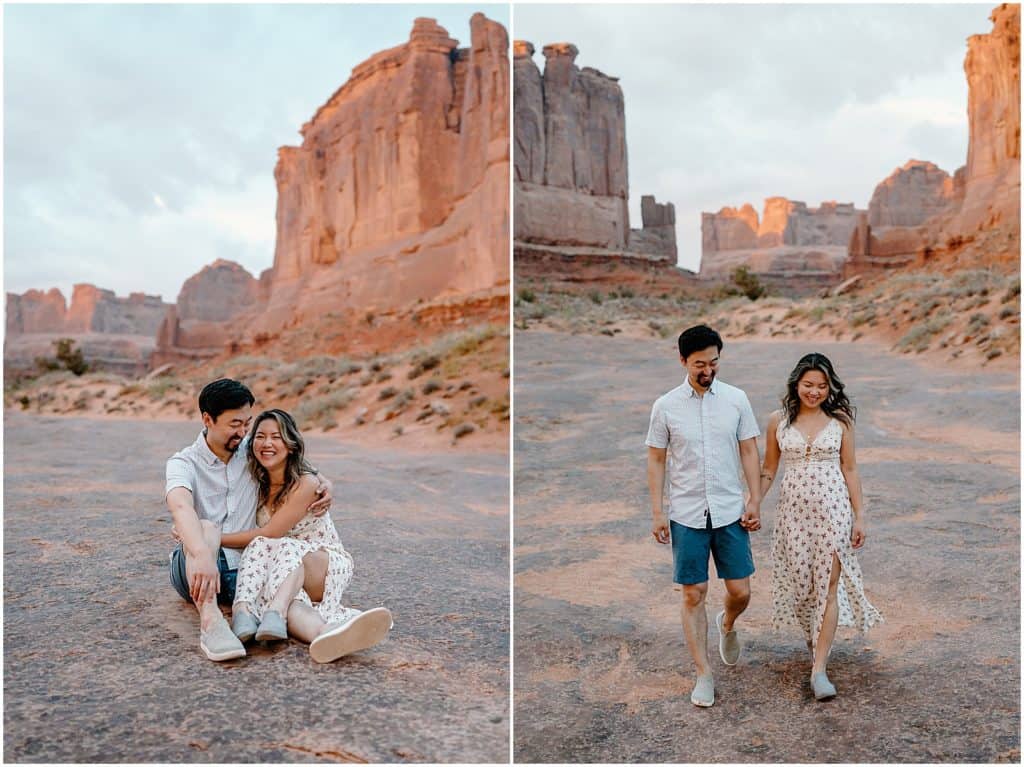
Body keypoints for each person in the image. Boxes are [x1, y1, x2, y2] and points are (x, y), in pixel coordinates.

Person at [166, 379, 334, 662]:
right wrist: (201, 552)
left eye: (247, 423)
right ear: (208, 419)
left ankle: (326, 634)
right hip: (197, 564)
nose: (243, 432)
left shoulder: (251, 451)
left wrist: (323, 481)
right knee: (206, 527)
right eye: (234, 424)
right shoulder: (183, 463)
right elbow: (180, 505)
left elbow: (295, 463)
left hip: (247, 571)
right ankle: (212, 623)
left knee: (285, 599)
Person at [646, 324, 763, 707]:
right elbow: (657, 458)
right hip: (686, 512)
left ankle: (727, 624)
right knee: (694, 594)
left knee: (740, 591)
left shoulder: (736, 399)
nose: (708, 370)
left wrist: (754, 499)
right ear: (682, 361)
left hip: (730, 510)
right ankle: (703, 674)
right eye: (699, 364)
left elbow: (748, 450)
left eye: (713, 362)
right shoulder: (665, 406)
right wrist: (658, 511)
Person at [221, 409, 392, 663]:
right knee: (289, 599)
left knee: (274, 543)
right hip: (284, 568)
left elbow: (270, 532)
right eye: (260, 436)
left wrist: (213, 538)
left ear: (290, 444)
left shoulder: (307, 483)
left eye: (276, 437)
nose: (267, 444)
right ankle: (324, 633)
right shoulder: (257, 482)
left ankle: (262, 610)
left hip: (322, 563)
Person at [758, 353, 883, 701]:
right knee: (803, 588)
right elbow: (768, 469)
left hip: (834, 513)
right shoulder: (777, 422)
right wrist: (752, 502)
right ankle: (814, 643)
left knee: (828, 589)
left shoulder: (840, 422)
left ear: (830, 388)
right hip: (792, 516)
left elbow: (851, 469)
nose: (814, 392)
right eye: (808, 385)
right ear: (796, 384)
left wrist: (859, 516)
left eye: (821, 386)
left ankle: (819, 670)